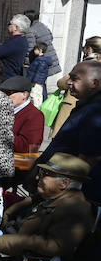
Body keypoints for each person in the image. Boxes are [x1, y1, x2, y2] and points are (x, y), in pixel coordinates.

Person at [0, 154, 96, 261]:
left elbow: (53, 245)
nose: (38, 177)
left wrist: (3, 242)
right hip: (9, 247)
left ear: (65, 183)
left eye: (45, 174)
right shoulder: (49, 197)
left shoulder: (75, 209)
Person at [35, 60, 101, 203]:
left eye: (75, 78)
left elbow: (87, 160)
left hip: (65, 195)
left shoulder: (96, 112)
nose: (69, 82)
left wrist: (65, 195)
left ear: (94, 83)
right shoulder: (86, 106)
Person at [0, 75, 46, 154]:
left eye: (9, 93)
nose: (5, 96)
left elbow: (29, 147)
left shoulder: (35, 115)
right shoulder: (3, 109)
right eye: (4, 93)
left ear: (24, 94)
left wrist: (0, 131)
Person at [0, 14, 30, 79]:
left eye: (10, 24)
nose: (8, 26)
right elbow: (2, 51)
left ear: (16, 28)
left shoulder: (17, 42)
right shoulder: (20, 40)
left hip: (6, 77)